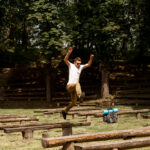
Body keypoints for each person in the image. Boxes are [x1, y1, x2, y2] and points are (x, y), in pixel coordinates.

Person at [62, 47, 94, 119]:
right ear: (74, 62)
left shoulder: (81, 67)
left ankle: (65, 111)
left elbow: (88, 64)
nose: (78, 65)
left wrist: (91, 58)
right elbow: (65, 60)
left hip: (75, 89)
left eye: (79, 63)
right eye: (77, 63)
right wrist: (69, 53)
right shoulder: (71, 66)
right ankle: (80, 95)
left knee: (74, 103)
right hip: (70, 86)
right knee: (77, 84)